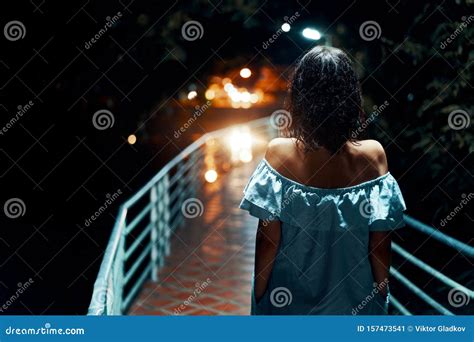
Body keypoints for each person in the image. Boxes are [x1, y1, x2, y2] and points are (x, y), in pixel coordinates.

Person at [239, 46, 407, 315]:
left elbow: (268, 241)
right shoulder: (374, 155)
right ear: (351, 97)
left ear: (300, 96)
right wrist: (382, 295)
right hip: (355, 303)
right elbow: (379, 243)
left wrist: (259, 297)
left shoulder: (279, 153)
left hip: (289, 304)